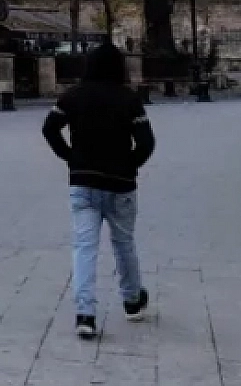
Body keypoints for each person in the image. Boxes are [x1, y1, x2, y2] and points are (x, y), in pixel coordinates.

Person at [41, 39, 155, 340]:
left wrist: (70, 157)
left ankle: (85, 313)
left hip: (83, 181)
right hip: (120, 183)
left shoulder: (73, 97)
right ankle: (132, 300)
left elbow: (49, 128)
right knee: (124, 243)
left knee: (84, 247)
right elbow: (146, 143)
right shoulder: (128, 99)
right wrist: (130, 165)